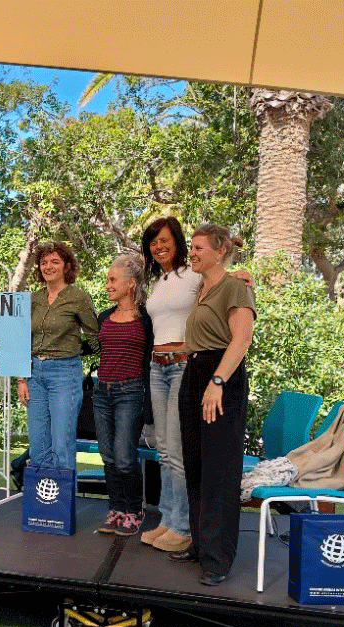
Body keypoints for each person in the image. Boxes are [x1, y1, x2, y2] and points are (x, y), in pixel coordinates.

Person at [139, 216, 252, 554]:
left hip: (182, 366)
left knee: (177, 452)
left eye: (165, 240)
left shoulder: (194, 274)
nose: (158, 246)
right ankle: (168, 519)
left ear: (177, 242)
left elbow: (223, 284)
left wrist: (242, 275)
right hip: (158, 367)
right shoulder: (158, 282)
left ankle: (183, 526)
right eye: (153, 242)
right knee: (164, 451)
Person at [173, 224, 255, 587]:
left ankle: (218, 559)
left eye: (198, 248)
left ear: (219, 251)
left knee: (220, 469)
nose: (191, 253)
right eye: (191, 248)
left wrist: (217, 382)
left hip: (221, 375)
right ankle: (201, 544)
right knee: (196, 463)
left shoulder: (235, 286)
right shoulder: (202, 288)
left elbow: (242, 339)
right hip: (194, 372)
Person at [17, 241, 99, 470]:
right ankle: (43, 493)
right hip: (34, 375)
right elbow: (23, 339)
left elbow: (95, 337)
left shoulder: (79, 298)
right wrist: (21, 379)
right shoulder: (34, 299)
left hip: (65, 374)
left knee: (62, 446)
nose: (48, 267)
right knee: (38, 447)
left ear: (66, 266)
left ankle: (64, 494)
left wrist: (111, 366)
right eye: (44, 262)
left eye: (55, 262)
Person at [93, 255, 154, 536]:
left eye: (112, 279)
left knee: (124, 456)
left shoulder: (146, 319)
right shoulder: (104, 317)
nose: (108, 285)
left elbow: (150, 360)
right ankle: (116, 509)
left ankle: (133, 510)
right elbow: (93, 347)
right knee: (107, 455)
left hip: (130, 392)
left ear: (130, 284)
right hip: (102, 392)